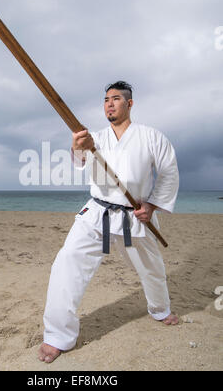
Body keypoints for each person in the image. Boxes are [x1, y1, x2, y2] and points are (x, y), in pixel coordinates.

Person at [38, 81, 179, 364]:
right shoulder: (94, 138)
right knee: (67, 264)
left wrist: (150, 206)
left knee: (152, 268)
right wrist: (77, 146)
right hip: (96, 214)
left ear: (130, 104)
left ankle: (160, 309)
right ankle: (57, 335)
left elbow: (167, 173)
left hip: (134, 215)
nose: (109, 104)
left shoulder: (152, 137)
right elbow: (79, 161)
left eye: (116, 99)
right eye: (105, 100)